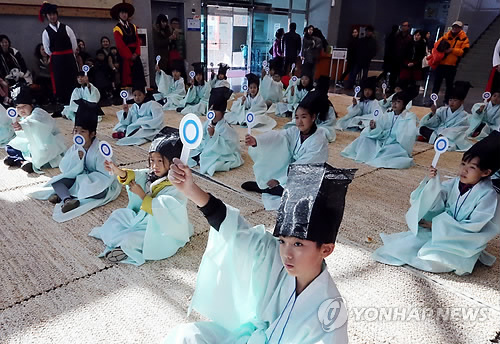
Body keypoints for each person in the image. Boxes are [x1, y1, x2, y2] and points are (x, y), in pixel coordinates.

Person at [164, 161, 351, 344]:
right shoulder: (276, 256)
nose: (287, 253)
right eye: (282, 241)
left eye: (298, 244)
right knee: (188, 335)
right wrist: (190, 189)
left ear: (326, 249)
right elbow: (236, 231)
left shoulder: (331, 310)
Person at [372, 134, 500, 276]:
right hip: (442, 232)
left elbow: (474, 227)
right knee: (406, 245)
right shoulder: (455, 183)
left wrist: (436, 225)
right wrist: (432, 182)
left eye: (472, 167)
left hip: (462, 243)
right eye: (463, 164)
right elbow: (436, 199)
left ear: (486, 172)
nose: (464, 170)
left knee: (429, 258)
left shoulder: (488, 195)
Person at [90, 134, 193, 265]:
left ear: (172, 162)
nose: (154, 165)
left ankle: (124, 249)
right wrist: (117, 171)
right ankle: (122, 246)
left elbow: (167, 209)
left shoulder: (177, 184)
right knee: (117, 216)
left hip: (160, 227)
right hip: (141, 217)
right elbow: (137, 175)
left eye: (160, 161)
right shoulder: (151, 174)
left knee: (132, 238)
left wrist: (142, 196)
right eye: (152, 160)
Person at [29, 100, 121, 222]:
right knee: (57, 182)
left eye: (82, 132)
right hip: (80, 178)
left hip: (100, 182)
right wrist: (77, 157)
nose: (78, 134)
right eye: (76, 131)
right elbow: (65, 168)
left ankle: (63, 195)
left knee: (92, 189)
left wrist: (85, 177)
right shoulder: (75, 147)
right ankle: (67, 200)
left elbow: (107, 175)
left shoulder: (101, 149)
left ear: (92, 133)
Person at [241, 90, 330, 210]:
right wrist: (257, 141)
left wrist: (280, 180)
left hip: (308, 176)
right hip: (290, 171)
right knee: (278, 149)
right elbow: (277, 137)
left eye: (304, 117)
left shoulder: (319, 140)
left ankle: (269, 189)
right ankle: (269, 187)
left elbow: (304, 166)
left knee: (301, 196)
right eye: (297, 117)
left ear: (313, 117)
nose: (299, 121)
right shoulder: (294, 131)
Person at [342, 90, 418, 169]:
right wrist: (374, 127)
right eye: (393, 102)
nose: (394, 104)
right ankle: (366, 156)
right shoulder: (388, 114)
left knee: (392, 151)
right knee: (365, 138)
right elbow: (380, 126)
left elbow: (408, 135)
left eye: (398, 102)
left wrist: (394, 134)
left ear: (404, 104)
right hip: (382, 139)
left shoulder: (409, 117)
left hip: (396, 143)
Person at [3, 86, 65, 173]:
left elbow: (35, 123)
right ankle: (20, 160)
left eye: (24, 106)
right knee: (10, 143)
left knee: (41, 152)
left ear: (31, 105)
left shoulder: (39, 112)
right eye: (18, 107)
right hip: (30, 143)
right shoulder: (23, 118)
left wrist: (23, 126)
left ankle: (27, 162)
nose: (21, 110)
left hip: (48, 143)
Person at [188, 87, 243, 176]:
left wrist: (214, 136)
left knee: (213, 163)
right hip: (207, 149)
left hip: (220, 152)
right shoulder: (207, 124)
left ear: (223, 112)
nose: (213, 113)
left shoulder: (226, 128)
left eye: (216, 110)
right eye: (211, 109)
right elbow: (201, 138)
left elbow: (230, 146)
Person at [40, 2, 78, 105]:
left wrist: (70, 54)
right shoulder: (46, 32)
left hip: (69, 58)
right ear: (47, 16)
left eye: (54, 14)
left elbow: (74, 44)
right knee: (60, 81)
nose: (52, 17)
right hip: (57, 60)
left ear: (57, 15)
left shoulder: (66, 28)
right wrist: (57, 55)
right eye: (50, 15)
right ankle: (63, 103)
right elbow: (47, 49)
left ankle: (75, 101)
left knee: (72, 79)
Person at [419, 81, 472, 151]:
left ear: (462, 102)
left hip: (450, 137)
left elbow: (459, 131)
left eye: (455, 100)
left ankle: (437, 140)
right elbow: (434, 123)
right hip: (438, 133)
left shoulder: (465, 116)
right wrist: (433, 113)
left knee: (454, 141)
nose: (452, 103)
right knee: (422, 128)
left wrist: (444, 133)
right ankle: (437, 140)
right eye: (450, 100)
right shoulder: (443, 110)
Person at [283, 76, 337, 143]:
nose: (303, 81)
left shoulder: (311, 95)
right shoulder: (324, 102)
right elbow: (330, 122)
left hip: (310, 125)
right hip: (307, 124)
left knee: (322, 131)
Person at [431, 21, 470, 104]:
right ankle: (432, 100)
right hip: (441, 63)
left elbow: (464, 51)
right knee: (436, 84)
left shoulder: (464, 38)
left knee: (449, 85)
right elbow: (436, 45)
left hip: (452, 65)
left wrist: (452, 50)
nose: (455, 28)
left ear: (460, 28)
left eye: (457, 27)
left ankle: (447, 101)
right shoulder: (446, 36)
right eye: (454, 27)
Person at [111, 2, 146, 90]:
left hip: (135, 54)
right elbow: (120, 45)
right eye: (122, 13)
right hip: (126, 57)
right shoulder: (117, 28)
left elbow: (138, 41)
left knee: (138, 74)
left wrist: (136, 53)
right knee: (127, 77)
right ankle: (129, 97)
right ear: (119, 15)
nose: (124, 15)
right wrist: (130, 56)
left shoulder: (133, 26)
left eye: (126, 13)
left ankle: (140, 94)